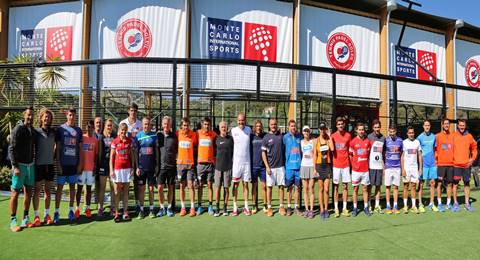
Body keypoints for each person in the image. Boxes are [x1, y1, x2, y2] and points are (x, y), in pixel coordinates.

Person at [9, 106, 36, 232]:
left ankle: (25, 218)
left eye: (32, 115)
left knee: (28, 192)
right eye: (28, 115)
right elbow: (11, 149)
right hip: (20, 166)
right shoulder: (18, 129)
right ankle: (13, 220)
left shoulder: (31, 130)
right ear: (24, 115)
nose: (30, 117)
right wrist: (15, 166)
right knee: (15, 193)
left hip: (31, 165)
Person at [55, 107, 83, 223]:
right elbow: (57, 148)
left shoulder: (78, 130)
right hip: (63, 164)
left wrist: (80, 163)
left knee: (72, 188)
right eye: (70, 115)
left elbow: (80, 149)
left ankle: (71, 211)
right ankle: (56, 212)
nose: (72, 117)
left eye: (73, 115)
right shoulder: (61, 129)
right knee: (60, 189)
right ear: (67, 115)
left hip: (73, 165)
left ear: (76, 116)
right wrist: (58, 164)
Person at [32, 108, 56, 227]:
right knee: (37, 191)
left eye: (49, 117)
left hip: (50, 165)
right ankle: (36, 216)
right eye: (45, 117)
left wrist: (54, 155)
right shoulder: (36, 132)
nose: (47, 119)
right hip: (38, 165)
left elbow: (58, 145)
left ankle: (47, 215)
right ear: (41, 118)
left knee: (48, 191)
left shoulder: (53, 132)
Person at [110, 123, 135, 222]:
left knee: (125, 191)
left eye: (125, 130)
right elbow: (111, 157)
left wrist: (132, 167)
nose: (123, 132)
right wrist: (111, 169)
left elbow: (132, 156)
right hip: (117, 170)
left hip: (127, 169)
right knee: (117, 192)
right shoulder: (115, 142)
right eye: (122, 130)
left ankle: (125, 212)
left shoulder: (130, 141)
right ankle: (116, 213)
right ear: (119, 130)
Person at [120, 103, 142, 212]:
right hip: (126, 156)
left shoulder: (140, 123)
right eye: (131, 110)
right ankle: (125, 205)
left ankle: (138, 204)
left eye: (135, 110)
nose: (133, 112)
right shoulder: (123, 123)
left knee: (137, 182)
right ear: (128, 111)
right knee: (125, 182)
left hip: (137, 156)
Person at [135, 117, 158, 219]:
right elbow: (135, 153)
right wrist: (136, 167)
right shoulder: (138, 136)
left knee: (151, 188)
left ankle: (152, 209)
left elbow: (157, 152)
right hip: (141, 168)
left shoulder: (154, 135)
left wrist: (157, 166)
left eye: (148, 124)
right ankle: (141, 210)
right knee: (141, 189)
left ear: (150, 125)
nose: (146, 126)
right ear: (142, 125)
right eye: (145, 124)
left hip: (151, 168)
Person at [452, 119, 477, 212]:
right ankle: (455, 203)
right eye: (460, 125)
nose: (462, 127)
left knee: (467, 183)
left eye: (463, 125)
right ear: (458, 126)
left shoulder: (469, 136)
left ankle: (467, 203)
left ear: (465, 126)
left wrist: (472, 159)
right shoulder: (453, 135)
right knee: (455, 184)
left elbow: (474, 148)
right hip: (456, 165)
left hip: (466, 165)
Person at [262, 118, 285, 217]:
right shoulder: (266, 137)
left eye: (275, 124)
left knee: (281, 187)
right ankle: (270, 207)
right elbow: (263, 153)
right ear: (269, 125)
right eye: (272, 124)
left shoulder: (281, 136)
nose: (273, 126)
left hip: (281, 166)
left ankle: (281, 207)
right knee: (269, 187)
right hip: (270, 167)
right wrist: (267, 166)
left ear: (277, 125)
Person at [76, 120, 99, 219]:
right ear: (86, 128)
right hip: (82, 169)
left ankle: (87, 208)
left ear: (94, 128)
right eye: (88, 127)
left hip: (90, 169)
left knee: (89, 189)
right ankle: (77, 208)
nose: (89, 129)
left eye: (91, 127)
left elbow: (96, 155)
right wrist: (79, 166)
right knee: (79, 188)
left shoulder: (95, 140)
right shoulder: (82, 138)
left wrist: (94, 167)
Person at [231, 113, 252, 216]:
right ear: (237, 120)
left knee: (246, 184)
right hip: (236, 164)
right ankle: (235, 207)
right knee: (235, 185)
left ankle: (246, 207)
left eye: (242, 120)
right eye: (239, 120)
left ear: (245, 120)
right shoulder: (233, 131)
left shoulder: (249, 130)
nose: (241, 122)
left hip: (247, 163)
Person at [331, 117, 352, 217]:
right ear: (336, 125)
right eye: (338, 124)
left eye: (342, 124)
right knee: (336, 187)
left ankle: (344, 208)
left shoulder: (348, 135)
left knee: (345, 186)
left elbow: (350, 151)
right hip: (336, 165)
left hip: (346, 165)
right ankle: (336, 208)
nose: (340, 125)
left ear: (344, 125)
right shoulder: (333, 136)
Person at [177, 117, 198, 217]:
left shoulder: (193, 135)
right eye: (184, 125)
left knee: (190, 185)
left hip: (190, 165)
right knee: (181, 186)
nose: (186, 127)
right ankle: (183, 208)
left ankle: (193, 208)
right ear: (181, 126)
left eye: (187, 125)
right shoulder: (178, 134)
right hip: (181, 165)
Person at [349, 122, 371, 217]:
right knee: (355, 189)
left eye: (363, 129)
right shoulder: (353, 142)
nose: (361, 131)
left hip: (365, 170)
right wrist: (353, 165)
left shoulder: (367, 141)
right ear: (356, 130)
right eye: (360, 129)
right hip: (356, 170)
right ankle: (355, 208)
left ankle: (366, 207)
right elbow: (350, 155)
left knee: (365, 189)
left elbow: (369, 154)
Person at [157, 116, 178, 217]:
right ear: (162, 125)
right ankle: (161, 207)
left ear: (170, 125)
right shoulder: (158, 136)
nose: (166, 125)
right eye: (165, 124)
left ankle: (169, 207)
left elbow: (177, 151)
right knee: (160, 187)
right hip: (161, 167)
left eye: (168, 124)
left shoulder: (174, 137)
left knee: (171, 187)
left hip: (171, 167)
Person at [313, 123, 334, 220]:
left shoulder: (328, 139)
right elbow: (315, 155)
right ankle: (322, 209)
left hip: (327, 167)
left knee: (326, 189)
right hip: (319, 167)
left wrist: (329, 136)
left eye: (324, 129)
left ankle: (326, 209)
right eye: (321, 129)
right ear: (319, 130)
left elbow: (333, 149)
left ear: (326, 129)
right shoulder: (316, 141)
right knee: (321, 189)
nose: (322, 130)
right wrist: (314, 169)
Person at [196, 117, 217, 216]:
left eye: (208, 124)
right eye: (205, 124)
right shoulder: (197, 133)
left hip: (210, 164)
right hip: (200, 164)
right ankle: (199, 206)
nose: (206, 126)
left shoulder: (213, 134)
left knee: (209, 185)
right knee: (200, 185)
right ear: (202, 125)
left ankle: (210, 206)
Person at [97, 119, 117, 217]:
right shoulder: (101, 137)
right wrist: (99, 166)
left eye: (110, 125)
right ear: (105, 126)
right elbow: (99, 153)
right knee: (102, 188)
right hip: (103, 166)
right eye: (108, 125)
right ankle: (100, 208)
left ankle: (112, 208)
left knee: (113, 188)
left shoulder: (115, 136)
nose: (109, 127)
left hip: (112, 166)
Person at [416, 120, 438, 213]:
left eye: (428, 125)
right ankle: (420, 204)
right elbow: (418, 152)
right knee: (421, 184)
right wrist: (419, 165)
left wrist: (436, 161)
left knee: (432, 183)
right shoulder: (419, 138)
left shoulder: (433, 136)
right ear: (423, 126)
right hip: (423, 164)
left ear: (430, 126)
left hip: (432, 164)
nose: (427, 127)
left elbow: (435, 149)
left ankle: (431, 203)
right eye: (425, 125)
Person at [214, 121, 234, 217]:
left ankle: (225, 208)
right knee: (217, 188)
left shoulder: (230, 139)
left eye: (225, 127)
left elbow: (234, 152)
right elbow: (213, 152)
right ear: (219, 128)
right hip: (218, 168)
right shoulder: (216, 139)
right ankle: (217, 208)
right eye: (222, 127)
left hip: (228, 168)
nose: (223, 128)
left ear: (227, 128)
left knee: (226, 189)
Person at [401, 126, 422, 214]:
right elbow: (402, 157)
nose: (411, 134)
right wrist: (403, 169)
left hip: (414, 168)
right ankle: (405, 206)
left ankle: (414, 206)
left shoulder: (417, 142)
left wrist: (420, 168)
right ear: (407, 134)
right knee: (406, 187)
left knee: (413, 186)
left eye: (412, 133)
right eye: (409, 133)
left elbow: (419, 156)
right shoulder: (404, 142)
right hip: (406, 168)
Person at [283, 120, 302, 216]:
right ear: (288, 127)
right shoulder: (285, 137)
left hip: (298, 167)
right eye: (291, 126)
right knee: (289, 188)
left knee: (297, 188)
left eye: (294, 126)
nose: (293, 127)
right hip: (289, 168)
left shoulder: (300, 136)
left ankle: (296, 207)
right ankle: (289, 207)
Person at [367, 119, 385, 214]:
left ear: (380, 127)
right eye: (375, 127)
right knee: (370, 186)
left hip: (379, 167)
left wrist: (383, 166)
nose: (377, 129)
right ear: (372, 128)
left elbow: (383, 153)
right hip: (371, 166)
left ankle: (377, 205)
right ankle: (369, 205)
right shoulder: (369, 137)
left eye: (378, 127)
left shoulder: (383, 138)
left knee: (378, 186)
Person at [435, 118, 453, 212]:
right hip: (441, 164)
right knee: (439, 184)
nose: (446, 125)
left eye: (448, 124)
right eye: (445, 124)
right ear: (442, 125)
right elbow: (434, 149)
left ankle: (449, 203)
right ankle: (439, 203)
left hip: (451, 165)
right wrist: (435, 159)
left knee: (450, 184)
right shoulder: (437, 136)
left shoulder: (453, 136)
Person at [384, 125, 403, 214]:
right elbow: (383, 153)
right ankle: (388, 205)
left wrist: (401, 167)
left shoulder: (400, 140)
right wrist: (384, 166)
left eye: (393, 131)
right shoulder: (386, 140)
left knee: (396, 187)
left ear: (396, 131)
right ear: (388, 131)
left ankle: (395, 205)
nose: (392, 133)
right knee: (388, 186)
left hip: (397, 167)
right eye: (390, 132)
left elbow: (402, 153)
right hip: (388, 167)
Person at [250, 120, 266, 214]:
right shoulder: (251, 137)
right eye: (257, 126)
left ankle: (265, 205)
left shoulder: (265, 136)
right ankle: (254, 205)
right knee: (254, 186)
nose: (259, 128)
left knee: (264, 186)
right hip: (254, 166)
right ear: (255, 127)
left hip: (263, 166)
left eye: (260, 126)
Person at [300, 126, 315, 219]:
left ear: (309, 132)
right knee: (305, 189)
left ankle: (311, 210)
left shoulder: (313, 141)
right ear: (302, 132)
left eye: (307, 131)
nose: (306, 132)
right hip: (303, 166)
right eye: (304, 131)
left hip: (312, 167)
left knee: (311, 189)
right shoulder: (300, 142)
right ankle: (306, 209)